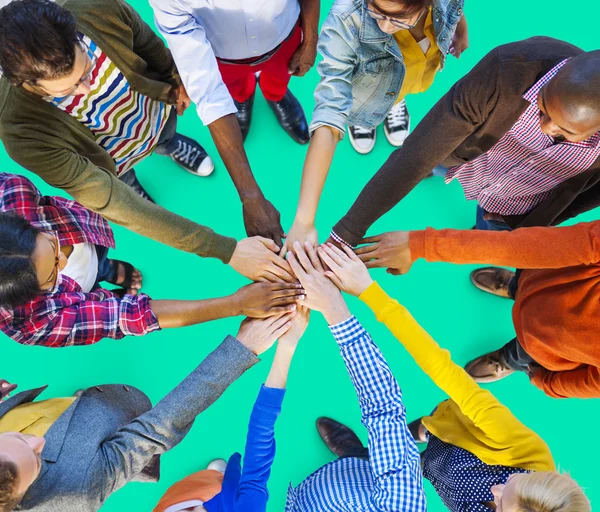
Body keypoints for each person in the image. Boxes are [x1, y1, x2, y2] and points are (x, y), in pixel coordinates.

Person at [0, 0, 295, 282]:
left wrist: (172, 77)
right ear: (27, 85)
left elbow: (146, 42)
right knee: (125, 184)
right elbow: (114, 201)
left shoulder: (94, 6)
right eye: (69, 90)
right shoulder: (20, 131)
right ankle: (133, 181)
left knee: (166, 138)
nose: (88, 88)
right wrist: (225, 250)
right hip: (113, 160)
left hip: (154, 115)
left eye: (87, 69)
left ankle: (170, 146)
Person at [316, 241, 591, 511]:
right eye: (511, 481)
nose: (495, 490)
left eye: (501, 504)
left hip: (440, 477)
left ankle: (362, 457)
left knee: (402, 469)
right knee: (417, 432)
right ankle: (394, 443)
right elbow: (440, 366)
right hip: (444, 430)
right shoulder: (523, 447)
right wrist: (368, 291)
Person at [0, 313, 294, 512]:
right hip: (107, 456)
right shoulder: (77, 490)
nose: (40, 441)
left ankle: (82, 416)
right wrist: (243, 349)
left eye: (17, 439)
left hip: (61, 414)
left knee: (82, 423)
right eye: (36, 460)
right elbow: (157, 427)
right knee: (131, 453)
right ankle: (134, 466)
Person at [327, 38, 600, 247]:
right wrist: (347, 232)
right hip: (466, 155)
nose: (545, 126)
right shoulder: (506, 70)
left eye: (564, 130)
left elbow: (590, 197)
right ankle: (439, 169)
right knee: (433, 161)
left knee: (489, 234)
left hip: (518, 205)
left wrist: (534, 223)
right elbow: (417, 156)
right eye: (542, 106)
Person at [0, 173, 304, 347]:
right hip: (78, 290)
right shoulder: (30, 322)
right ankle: (105, 275)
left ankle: (111, 269)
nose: (62, 262)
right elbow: (124, 316)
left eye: (52, 244)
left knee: (103, 265)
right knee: (90, 284)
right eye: (52, 277)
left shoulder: (10, 192)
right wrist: (234, 304)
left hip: (87, 235)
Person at [284, 0, 468, 251]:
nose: (382, 25)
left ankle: (394, 104)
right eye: (376, 11)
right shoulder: (346, 19)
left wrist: (460, 27)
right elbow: (329, 112)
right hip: (362, 93)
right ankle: (363, 119)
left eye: (397, 19)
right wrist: (304, 220)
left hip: (416, 69)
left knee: (403, 89)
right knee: (359, 109)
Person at [355, 222, 600, 398]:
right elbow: (517, 247)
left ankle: (506, 360)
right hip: (538, 276)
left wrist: (545, 382)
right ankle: (514, 286)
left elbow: (591, 383)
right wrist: (419, 245)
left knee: (519, 355)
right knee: (524, 276)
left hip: (541, 348)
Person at [150, 0, 320, 246]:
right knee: (236, 91)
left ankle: (276, 96)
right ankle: (244, 98)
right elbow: (209, 90)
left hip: (283, 42)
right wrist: (250, 197)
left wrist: (310, 40)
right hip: (222, 60)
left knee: (279, 82)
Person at [283, 242, 426, 511]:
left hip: (306, 502)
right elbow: (382, 407)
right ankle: (359, 453)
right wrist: (335, 308)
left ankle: (361, 453)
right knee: (386, 446)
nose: (498, 489)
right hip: (364, 477)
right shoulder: (400, 504)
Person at [153, 305, 310, 512]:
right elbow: (260, 434)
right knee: (219, 481)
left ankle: (212, 477)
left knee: (192, 486)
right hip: (224, 497)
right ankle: (218, 477)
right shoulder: (247, 508)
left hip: (183, 497)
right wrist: (287, 345)